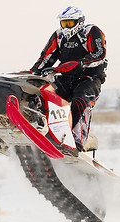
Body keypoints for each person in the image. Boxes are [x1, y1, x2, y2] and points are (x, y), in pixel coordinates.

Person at [28, 6, 107, 153]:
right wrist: (33, 74)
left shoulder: (91, 32)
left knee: (81, 101)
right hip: (65, 77)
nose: (66, 27)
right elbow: (46, 57)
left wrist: (82, 63)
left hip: (89, 78)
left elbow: (100, 54)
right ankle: (40, 129)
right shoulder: (58, 36)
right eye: (63, 23)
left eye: (69, 23)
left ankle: (77, 141)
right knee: (42, 95)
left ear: (79, 22)